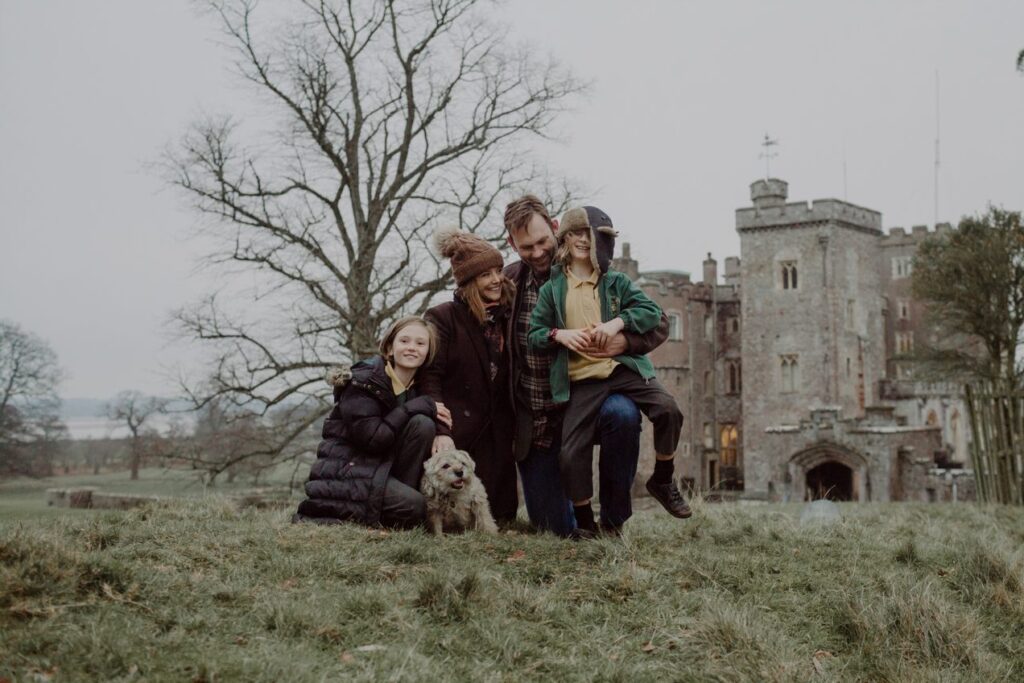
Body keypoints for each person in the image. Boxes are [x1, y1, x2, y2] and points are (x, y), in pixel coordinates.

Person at [503, 195, 670, 537]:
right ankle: (581, 521)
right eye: (525, 247)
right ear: (511, 244)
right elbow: (471, 310)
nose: (536, 253)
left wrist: (624, 340)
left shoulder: (595, 268)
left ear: (555, 229)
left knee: (623, 414)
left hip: (588, 400)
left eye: (541, 242)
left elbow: (660, 321)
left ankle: (613, 523)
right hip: (538, 423)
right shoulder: (508, 284)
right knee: (557, 531)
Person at [293, 316, 451, 528]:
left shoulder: (418, 388)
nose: (412, 348)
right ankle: (394, 509)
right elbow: (372, 440)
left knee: (424, 424)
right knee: (416, 507)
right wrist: (411, 407)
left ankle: (401, 503)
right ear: (390, 348)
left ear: (428, 352)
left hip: (384, 469)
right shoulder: (364, 381)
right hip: (350, 470)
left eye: (420, 343)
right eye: (404, 341)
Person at [420, 228, 518, 523]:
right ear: (468, 281)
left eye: (498, 270)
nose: (496, 279)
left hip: (500, 436)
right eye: (485, 274)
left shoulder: (510, 314)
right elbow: (430, 378)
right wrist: (441, 430)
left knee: (502, 517)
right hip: (460, 435)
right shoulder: (442, 317)